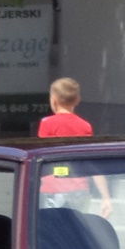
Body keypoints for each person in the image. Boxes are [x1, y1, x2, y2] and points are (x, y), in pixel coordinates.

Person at [37, 77, 112, 217]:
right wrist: (105, 197)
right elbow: (91, 161)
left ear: (53, 100)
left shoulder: (47, 123)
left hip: (52, 188)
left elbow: (41, 155)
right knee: (75, 232)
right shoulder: (85, 126)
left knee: (52, 232)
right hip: (79, 190)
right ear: (77, 100)